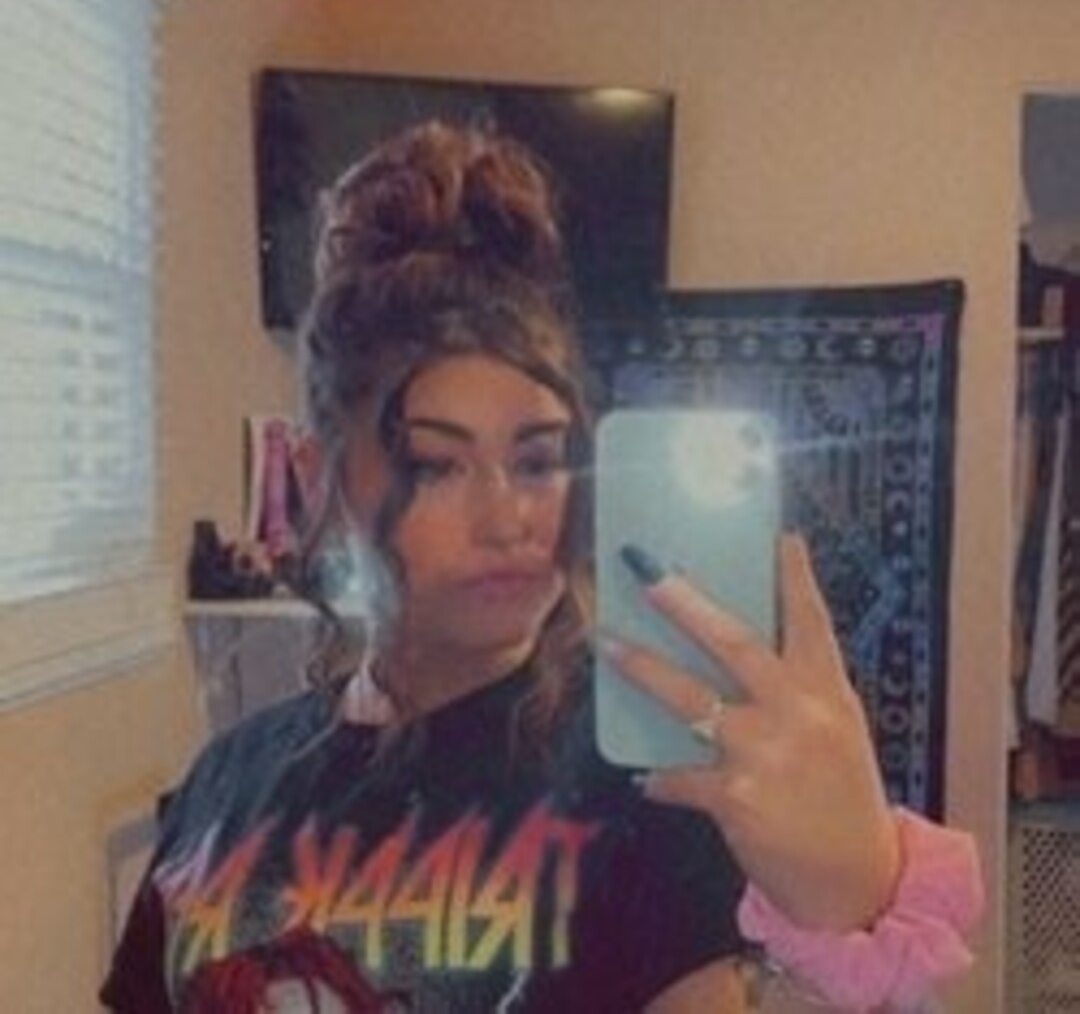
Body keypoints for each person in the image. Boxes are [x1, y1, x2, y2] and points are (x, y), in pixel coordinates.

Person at [102, 122, 982, 1012]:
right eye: (435, 465)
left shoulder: (659, 787)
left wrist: (844, 906)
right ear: (319, 480)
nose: (509, 519)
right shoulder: (224, 782)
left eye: (537, 460)